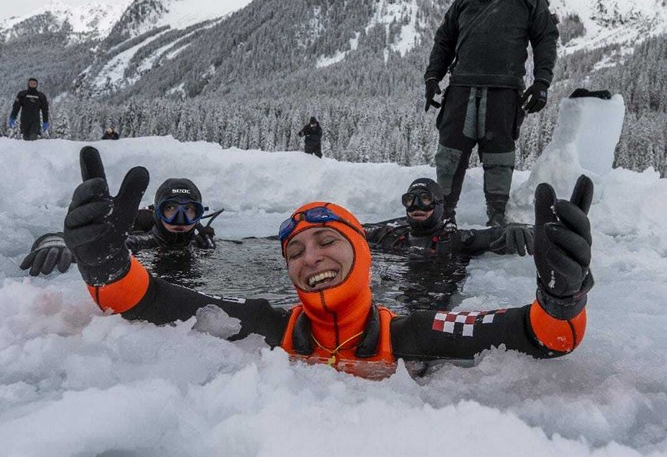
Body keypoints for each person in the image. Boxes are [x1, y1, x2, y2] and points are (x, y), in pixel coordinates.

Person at [60, 147, 593, 380]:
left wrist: (561, 300)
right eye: (294, 252)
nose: (309, 258)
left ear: (361, 252)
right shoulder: (268, 327)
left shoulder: (414, 333)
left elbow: (540, 336)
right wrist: (108, 270)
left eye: (324, 242)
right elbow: (153, 300)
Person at [424, 0, 558, 227]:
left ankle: (496, 217)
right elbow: (444, 41)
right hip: (460, 89)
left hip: (505, 91)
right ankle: (443, 214)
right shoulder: (465, 0)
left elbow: (546, 39)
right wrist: (432, 77)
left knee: (500, 157)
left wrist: (542, 81)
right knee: (449, 155)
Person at [19, 176, 218, 277]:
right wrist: (59, 242)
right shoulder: (144, 242)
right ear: (157, 211)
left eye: (190, 210)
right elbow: (94, 242)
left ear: (199, 215)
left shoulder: (203, 244)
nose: (179, 219)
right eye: (171, 208)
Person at [364, 177, 534, 257]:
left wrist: (518, 229)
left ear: (439, 205)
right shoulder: (390, 236)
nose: (417, 206)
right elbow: (351, 228)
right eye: (410, 200)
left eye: (425, 199)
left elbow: (492, 235)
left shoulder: (455, 241)